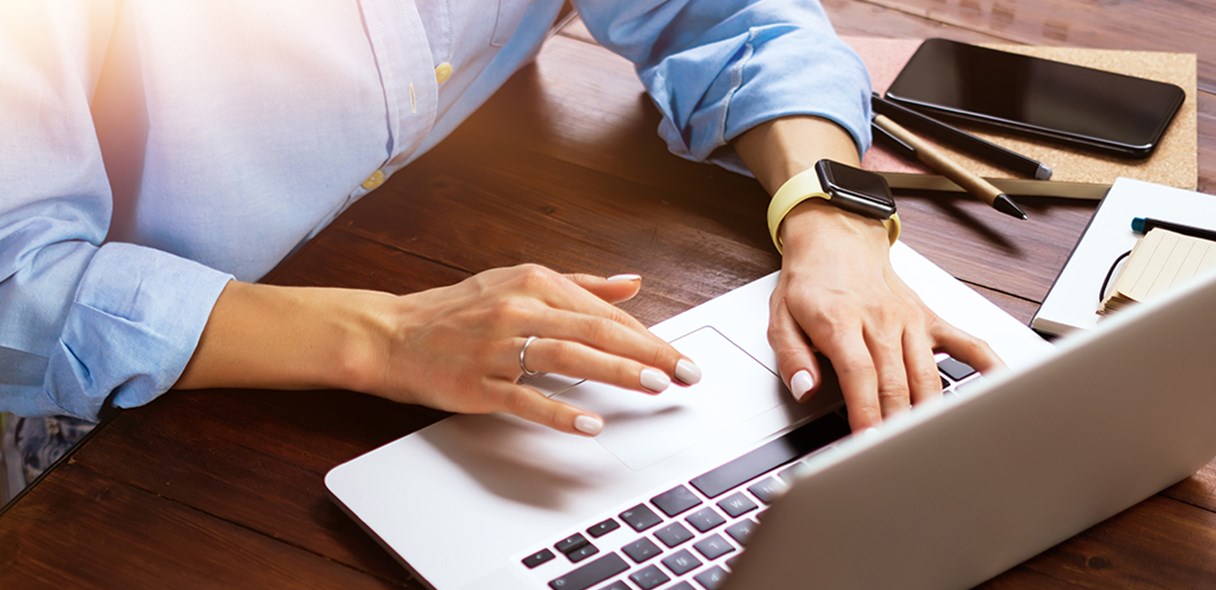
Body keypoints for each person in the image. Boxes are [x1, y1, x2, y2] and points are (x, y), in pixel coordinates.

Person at [0, 1, 998, 497]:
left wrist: (832, 218)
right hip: (69, 420)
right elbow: (15, 282)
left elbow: (726, 13)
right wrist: (383, 338)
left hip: (404, 236)